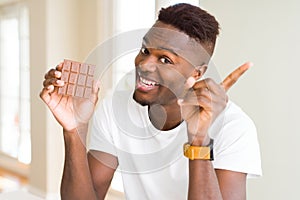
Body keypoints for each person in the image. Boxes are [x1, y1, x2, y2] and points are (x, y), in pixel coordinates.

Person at [40, 3, 261, 200]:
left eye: (165, 59)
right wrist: (74, 129)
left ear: (196, 73)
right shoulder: (115, 108)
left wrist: (199, 140)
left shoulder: (234, 127)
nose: (144, 64)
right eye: (145, 50)